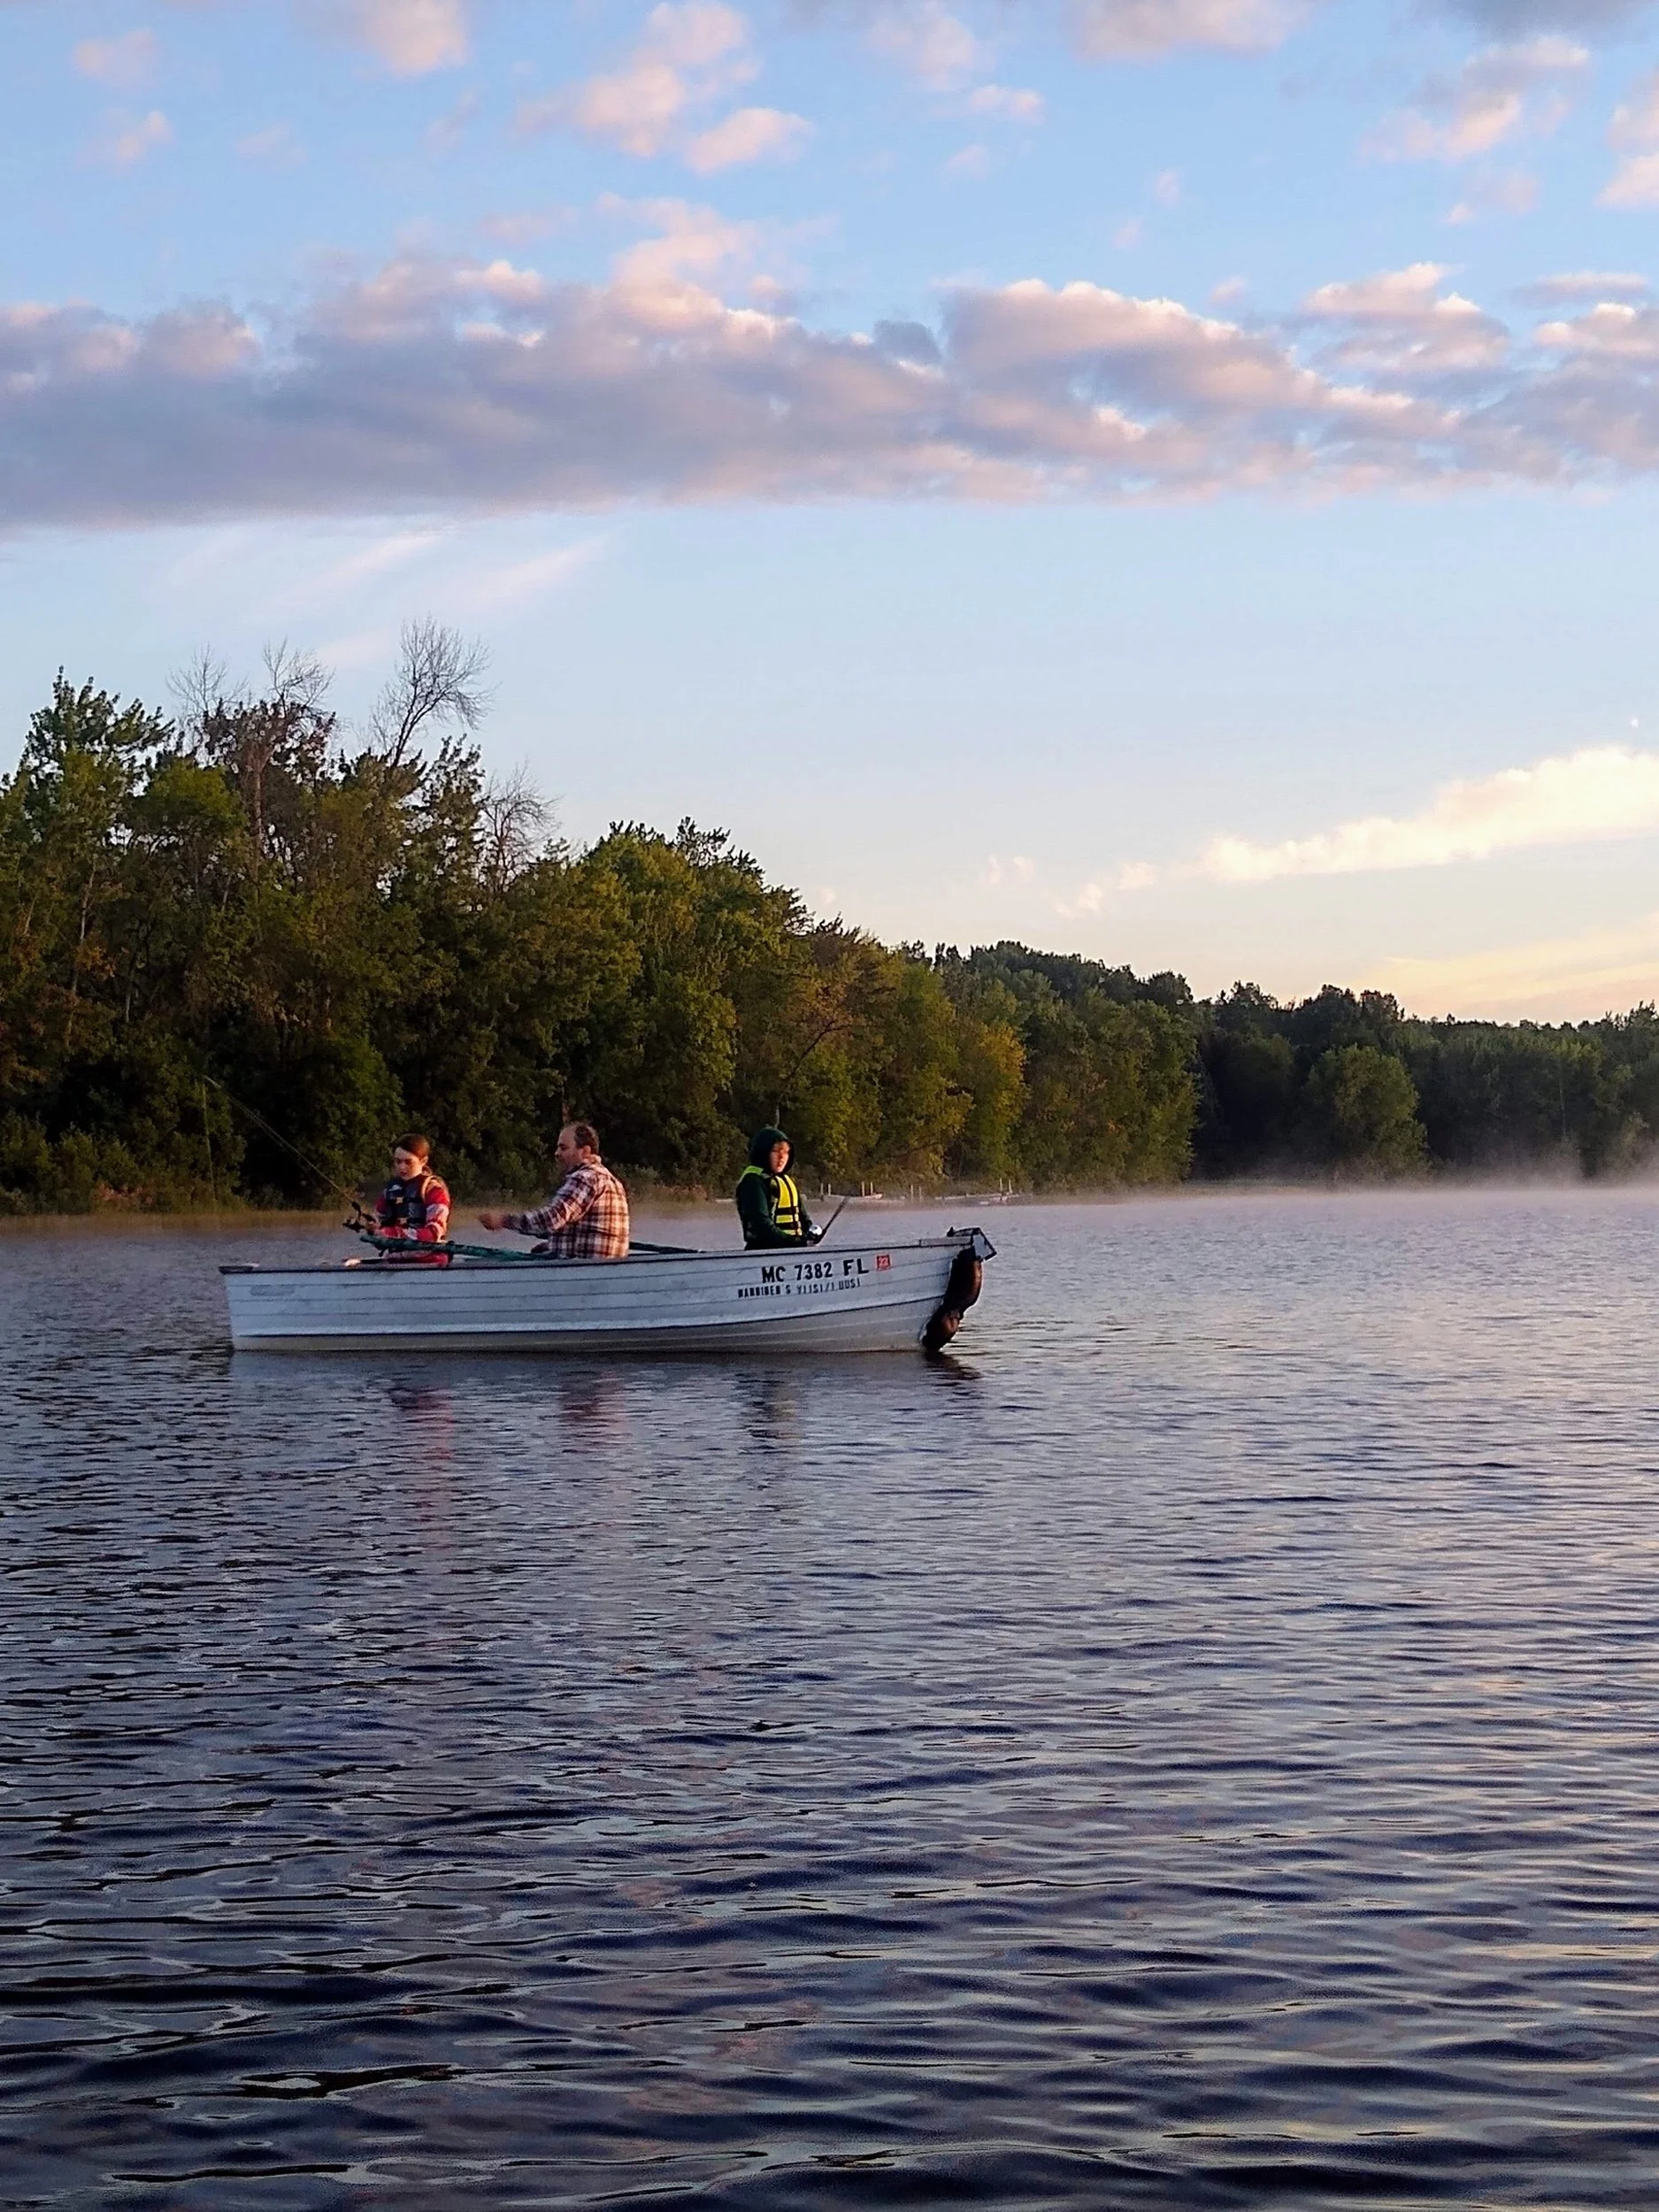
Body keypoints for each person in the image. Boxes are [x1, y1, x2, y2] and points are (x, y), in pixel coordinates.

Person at [479, 1121, 630, 1258]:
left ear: (584, 1152)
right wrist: (551, 1245)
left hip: (583, 1269)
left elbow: (552, 1218)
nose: (556, 1153)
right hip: (602, 1268)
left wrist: (504, 1220)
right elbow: (582, 1229)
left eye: (563, 1148)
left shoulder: (585, 1178)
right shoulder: (609, 1179)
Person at [736, 1125, 818, 1248]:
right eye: (776, 1151)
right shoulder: (753, 1181)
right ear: (763, 1152)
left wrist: (810, 1235)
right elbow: (762, 1224)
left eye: (785, 1152)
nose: (782, 1157)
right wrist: (795, 1243)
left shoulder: (785, 1180)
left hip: (793, 1250)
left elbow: (803, 1217)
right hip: (764, 1252)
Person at [376, 1133, 451, 1246]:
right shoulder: (390, 1191)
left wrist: (394, 1234)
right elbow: (379, 1224)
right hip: (394, 1259)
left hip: (429, 1260)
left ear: (424, 1161)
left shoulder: (433, 1190)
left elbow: (433, 1233)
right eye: (398, 1161)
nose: (402, 1167)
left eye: (408, 1162)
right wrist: (373, 1229)